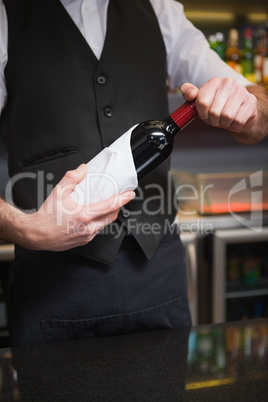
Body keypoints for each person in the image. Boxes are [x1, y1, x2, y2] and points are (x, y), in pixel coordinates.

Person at [0, 0, 267, 346]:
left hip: (158, 275)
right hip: (52, 288)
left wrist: (248, 107)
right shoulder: (7, 13)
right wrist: (24, 228)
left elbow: (258, 114)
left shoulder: (159, 10)